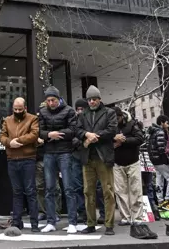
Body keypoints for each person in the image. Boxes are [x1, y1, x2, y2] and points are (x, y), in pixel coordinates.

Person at [76, 86, 117, 236]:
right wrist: (87, 134)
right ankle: (91, 223)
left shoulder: (109, 112)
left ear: (100, 99)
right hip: (88, 158)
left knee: (108, 191)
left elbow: (112, 130)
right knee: (88, 192)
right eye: (89, 99)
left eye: (94, 99)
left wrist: (95, 136)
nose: (92, 101)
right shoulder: (83, 114)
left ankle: (109, 224)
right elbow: (77, 130)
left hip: (103, 157)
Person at [38, 86, 78, 233]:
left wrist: (57, 134)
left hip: (65, 152)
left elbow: (73, 130)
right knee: (49, 189)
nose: (51, 103)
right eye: (48, 100)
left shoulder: (69, 110)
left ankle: (72, 222)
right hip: (49, 152)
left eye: (53, 100)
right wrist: (49, 135)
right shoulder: (42, 112)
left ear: (58, 99)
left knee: (68, 188)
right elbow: (40, 132)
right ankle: (51, 221)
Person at [0, 97, 40, 231]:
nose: (17, 111)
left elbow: (34, 134)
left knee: (30, 191)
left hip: (27, 158)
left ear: (25, 108)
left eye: (20, 109)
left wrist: (18, 140)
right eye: (15, 109)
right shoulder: (7, 120)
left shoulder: (32, 119)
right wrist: (9, 142)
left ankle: (34, 223)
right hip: (12, 158)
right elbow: (2, 136)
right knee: (17, 192)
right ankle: (17, 222)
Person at [113, 107, 144, 226]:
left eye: (117, 118)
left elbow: (140, 138)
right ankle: (125, 217)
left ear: (122, 116)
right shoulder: (110, 126)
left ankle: (137, 217)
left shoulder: (132, 124)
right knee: (120, 192)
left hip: (133, 161)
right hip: (117, 162)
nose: (115, 121)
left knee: (135, 190)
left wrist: (123, 140)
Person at [148, 115, 169, 210]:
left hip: (155, 160)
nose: (168, 125)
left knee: (159, 180)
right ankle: (167, 200)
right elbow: (162, 148)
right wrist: (167, 158)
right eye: (167, 123)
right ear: (162, 122)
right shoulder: (160, 132)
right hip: (161, 159)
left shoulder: (153, 132)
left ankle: (160, 201)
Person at [71, 99, 88, 223]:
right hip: (76, 156)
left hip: (89, 156)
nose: (80, 111)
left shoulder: (90, 120)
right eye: (78, 109)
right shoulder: (73, 121)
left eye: (82, 109)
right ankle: (82, 212)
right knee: (77, 186)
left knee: (93, 187)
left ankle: (98, 212)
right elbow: (69, 136)